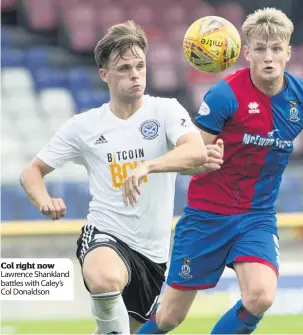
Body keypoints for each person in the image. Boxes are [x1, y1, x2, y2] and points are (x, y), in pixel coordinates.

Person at [138, 7, 303, 335]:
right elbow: (190, 160)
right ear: (246, 52)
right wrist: (202, 160)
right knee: (169, 319)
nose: (268, 57)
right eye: (260, 49)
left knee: (261, 296)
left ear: (288, 52)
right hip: (206, 216)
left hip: (256, 218)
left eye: (276, 49)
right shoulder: (224, 94)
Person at [19, 20, 218, 335]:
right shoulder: (84, 125)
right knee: (105, 279)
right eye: (124, 68)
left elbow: (195, 152)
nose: (135, 74)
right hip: (105, 233)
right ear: (104, 74)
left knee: (116, 331)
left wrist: (147, 166)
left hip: (152, 254)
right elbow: (32, 172)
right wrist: (43, 200)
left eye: (140, 66)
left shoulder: (165, 110)